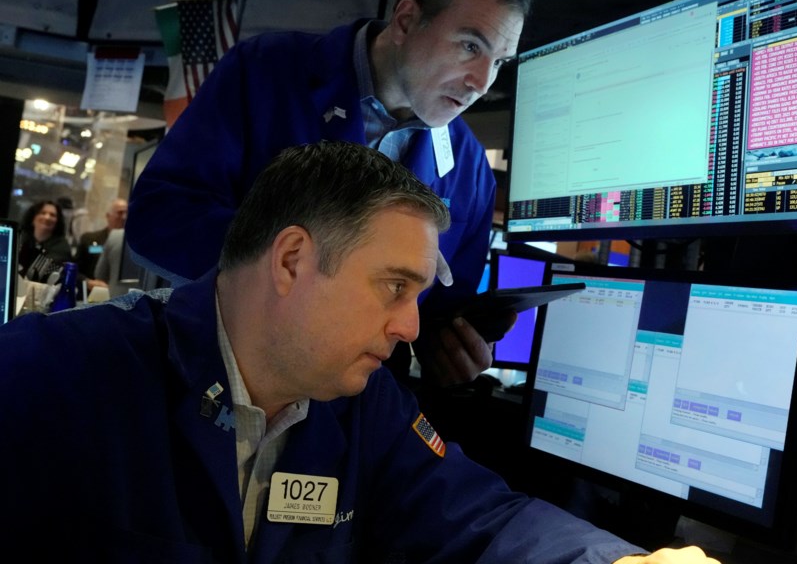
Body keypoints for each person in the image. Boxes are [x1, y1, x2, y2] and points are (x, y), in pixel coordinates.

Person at [0, 142, 720, 564]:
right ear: (290, 261)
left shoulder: (362, 407)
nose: (412, 327)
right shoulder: (57, 373)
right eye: (394, 286)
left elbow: (482, 517)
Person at [126, 0, 528, 386]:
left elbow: (428, 319)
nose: (481, 83)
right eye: (471, 46)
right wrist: (304, 270)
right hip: (212, 376)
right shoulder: (265, 71)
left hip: (352, 422)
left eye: (500, 63)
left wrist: (454, 350)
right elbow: (158, 220)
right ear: (407, 20)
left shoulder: (470, 170)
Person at [17, 199, 73, 282]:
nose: (47, 217)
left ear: (57, 221)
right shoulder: (21, 238)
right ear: (33, 218)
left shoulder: (62, 248)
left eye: (52, 215)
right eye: (43, 213)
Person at [75, 197, 128, 279]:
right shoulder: (89, 239)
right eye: (120, 213)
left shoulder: (130, 245)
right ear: (108, 216)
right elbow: (75, 270)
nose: (124, 217)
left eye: (127, 213)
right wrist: (88, 282)